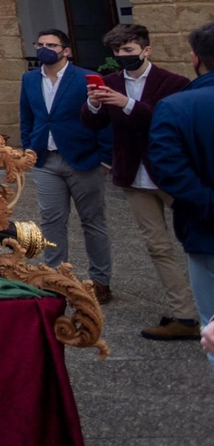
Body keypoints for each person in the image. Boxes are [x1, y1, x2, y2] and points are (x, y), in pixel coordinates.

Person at [83, 23, 196, 338]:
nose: (122, 55)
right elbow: (92, 123)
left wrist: (128, 104)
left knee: (198, 241)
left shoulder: (173, 83)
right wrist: (94, 103)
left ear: (147, 50)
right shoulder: (110, 81)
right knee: (157, 246)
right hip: (133, 176)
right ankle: (185, 315)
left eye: (128, 50)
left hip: (172, 175)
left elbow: (168, 121)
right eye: (117, 51)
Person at [20, 28, 113, 302]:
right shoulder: (29, 79)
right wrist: (28, 147)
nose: (45, 49)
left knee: (92, 221)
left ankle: (100, 281)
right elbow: (27, 115)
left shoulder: (84, 78)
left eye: (51, 45)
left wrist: (105, 159)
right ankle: (55, 277)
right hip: (45, 159)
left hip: (83, 158)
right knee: (51, 221)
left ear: (66, 50)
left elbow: (104, 118)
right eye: (40, 44)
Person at [147, 21, 214, 375]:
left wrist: (207, 203)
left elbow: (168, 170)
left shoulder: (176, 106)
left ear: (195, 58)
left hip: (206, 228)